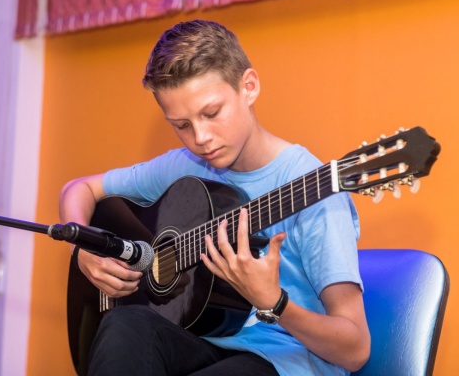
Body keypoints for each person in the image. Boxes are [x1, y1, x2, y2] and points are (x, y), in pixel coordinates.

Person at [59, 19, 370, 375]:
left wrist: (274, 302)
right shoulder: (186, 166)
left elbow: (355, 350)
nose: (200, 138)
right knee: (123, 325)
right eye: (182, 125)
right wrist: (82, 250)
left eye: (211, 113)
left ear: (248, 87)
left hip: (285, 361)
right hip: (205, 343)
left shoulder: (313, 189)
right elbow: (79, 189)